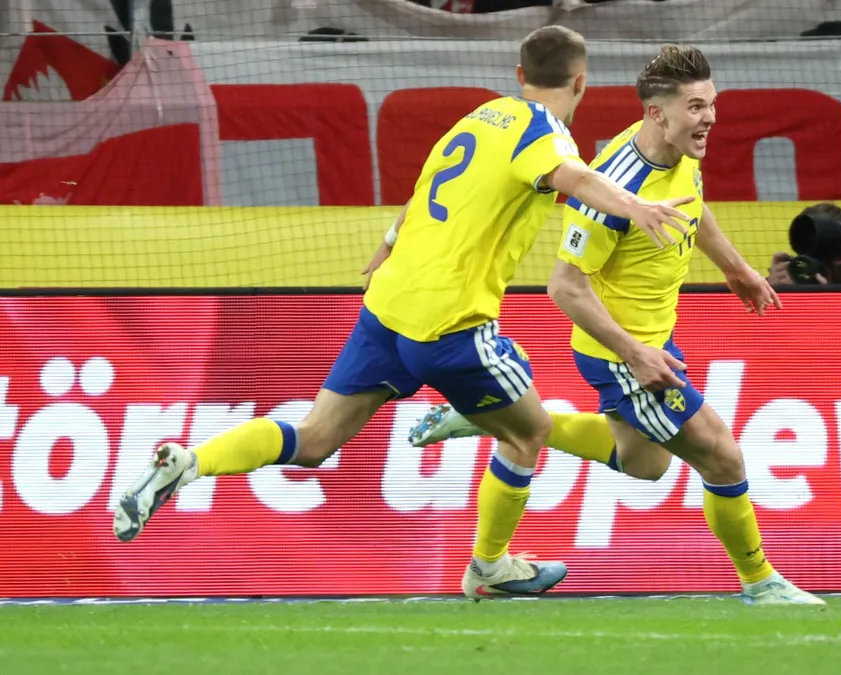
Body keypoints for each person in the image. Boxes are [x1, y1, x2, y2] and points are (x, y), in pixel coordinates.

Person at [111, 25, 695, 602]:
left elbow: (426, 188)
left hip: (388, 307)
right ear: (582, 82)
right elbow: (576, 177)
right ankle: (490, 566)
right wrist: (636, 206)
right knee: (529, 433)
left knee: (314, 439)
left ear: (520, 75)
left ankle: (190, 461)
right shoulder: (546, 134)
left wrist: (389, 242)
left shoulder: (479, 118)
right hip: (450, 323)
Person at [408, 44, 825, 606]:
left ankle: (495, 418)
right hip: (621, 351)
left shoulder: (679, 148)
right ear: (657, 113)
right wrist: (635, 353)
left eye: (711, 104)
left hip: (652, 338)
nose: (709, 118)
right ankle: (761, 582)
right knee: (721, 454)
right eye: (697, 107)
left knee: (646, 464)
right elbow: (565, 288)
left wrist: (735, 268)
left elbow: (691, 206)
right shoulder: (610, 191)